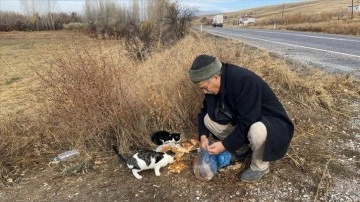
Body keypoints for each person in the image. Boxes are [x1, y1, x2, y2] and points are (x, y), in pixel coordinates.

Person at [188, 54, 294, 182]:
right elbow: (204, 111)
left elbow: (249, 121)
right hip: (244, 119)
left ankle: (260, 166)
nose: (204, 92)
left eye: (204, 87)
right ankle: (242, 150)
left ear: (215, 77)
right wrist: (203, 136)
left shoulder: (244, 81)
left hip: (271, 124)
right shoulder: (214, 86)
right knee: (208, 120)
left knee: (256, 130)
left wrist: (225, 145)